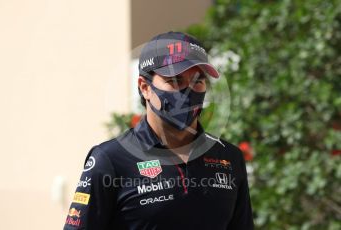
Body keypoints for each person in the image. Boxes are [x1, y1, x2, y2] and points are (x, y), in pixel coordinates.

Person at [64, 31, 254, 230]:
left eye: (198, 81)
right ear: (145, 87)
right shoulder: (110, 159)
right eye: (174, 81)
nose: (188, 91)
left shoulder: (229, 157)